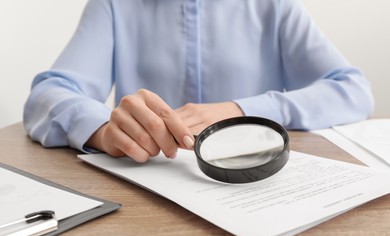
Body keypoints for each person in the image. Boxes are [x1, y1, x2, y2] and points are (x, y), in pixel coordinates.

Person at [23, 0, 374, 163]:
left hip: (258, 182)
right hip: (145, 190)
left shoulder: (275, 6)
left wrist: (242, 110)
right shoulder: (114, 5)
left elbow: (352, 90)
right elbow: (48, 93)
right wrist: (102, 129)